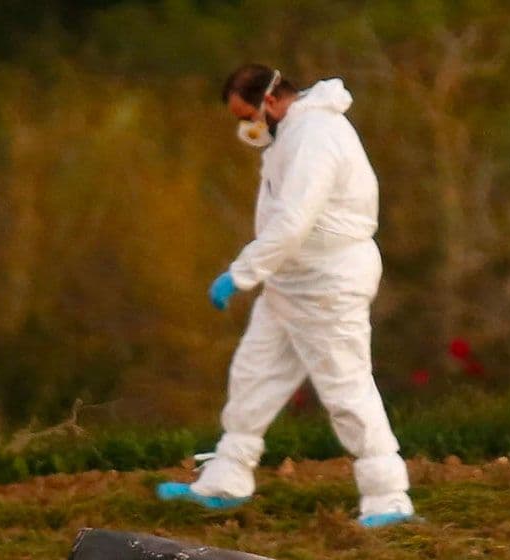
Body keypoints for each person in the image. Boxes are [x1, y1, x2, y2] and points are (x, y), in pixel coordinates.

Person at [155, 63, 415, 528]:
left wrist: (242, 272)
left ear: (271, 101)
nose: (247, 127)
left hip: (327, 284)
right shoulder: (291, 135)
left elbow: (294, 220)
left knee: (345, 385)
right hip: (291, 282)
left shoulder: (315, 137)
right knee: (254, 373)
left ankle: (388, 495)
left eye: (247, 115)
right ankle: (227, 476)